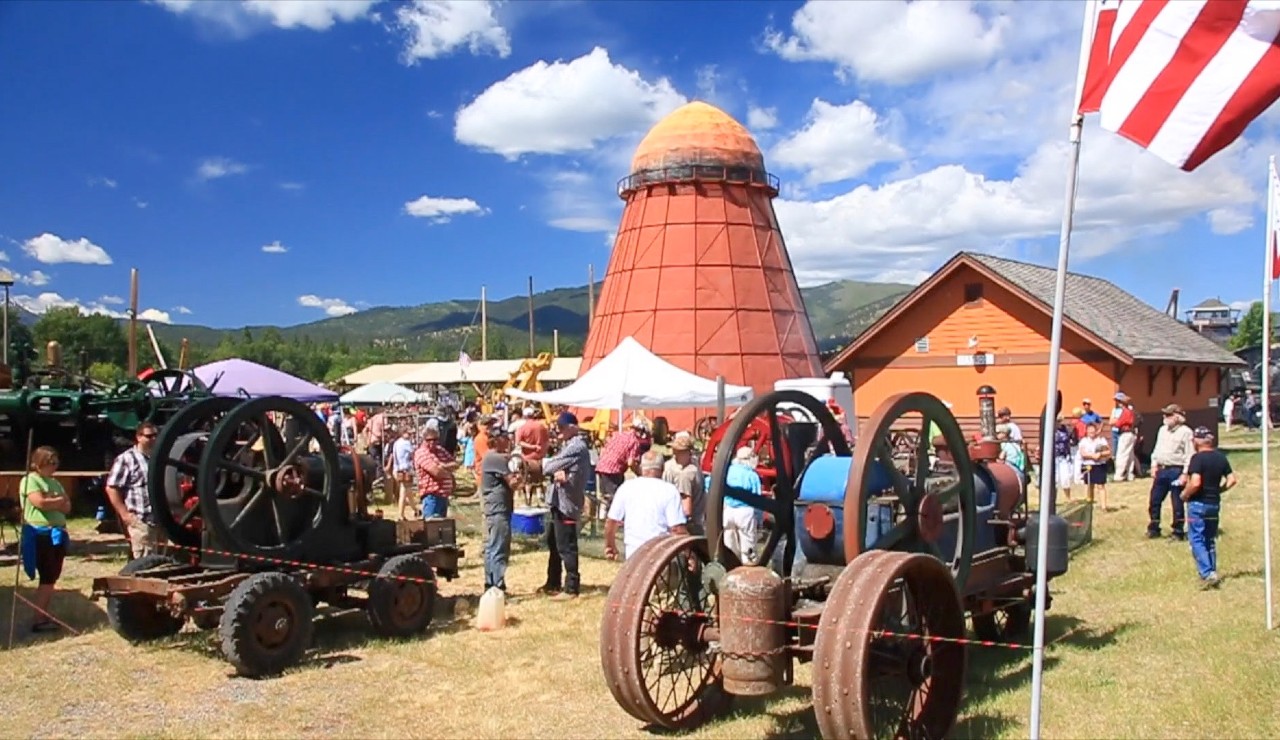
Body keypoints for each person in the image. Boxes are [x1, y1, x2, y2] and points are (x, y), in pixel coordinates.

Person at [538, 412, 591, 599]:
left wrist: (554, 469)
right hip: (557, 501)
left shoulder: (577, 446)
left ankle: (571, 587)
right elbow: (554, 468)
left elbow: (548, 466)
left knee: (566, 546)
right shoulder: (567, 445)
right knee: (554, 543)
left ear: (572, 427)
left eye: (561, 428)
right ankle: (553, 582)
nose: (558, 431)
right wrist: (556, 471)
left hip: (567, 503)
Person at [19, 446, 70, 633]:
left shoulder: (55, 483)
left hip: (58, 534)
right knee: (47, 577)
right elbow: (39, 502)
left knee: (52, 576)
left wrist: (53, 500)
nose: (55, 466)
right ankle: (39, 619)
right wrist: (56, 501)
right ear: (40, 463)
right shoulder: (30, 480)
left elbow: (67, 506)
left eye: (56, 462)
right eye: (51, 462)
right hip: (40, 534)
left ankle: (42, 614)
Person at [1180, 427, 1237, 589]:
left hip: (1197, 504)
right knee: (1209, 539)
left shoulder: (1197, 459)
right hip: (1214, 503)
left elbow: (1196, 482)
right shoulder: (1221, 458)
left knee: (1196, 538)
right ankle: (1211, 569)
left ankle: (1207, 573)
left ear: (1197, 441)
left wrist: (1185, 494)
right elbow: (1232, 480)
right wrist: (1220, 490)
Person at [605, 450, 688, 560]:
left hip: (633, 553)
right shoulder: (670, 491)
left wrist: (610, 545)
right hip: (660, 555)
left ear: (641, 468)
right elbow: (677, 529)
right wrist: (690, 554)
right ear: (662, 469)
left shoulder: (626, 487)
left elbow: (611, 521)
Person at [106, 422, 164, 559]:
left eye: (156, 436)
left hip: (161, 521)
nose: (153, 439)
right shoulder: (126, 459)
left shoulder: (160, 458)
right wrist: (125, 515)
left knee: (162, 562)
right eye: (149, 436)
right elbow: (112, 488)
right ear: (138, 437)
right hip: (140, 520)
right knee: (143, 562)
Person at [480, 424, 522, 593]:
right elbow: (512, 483)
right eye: (505, 438)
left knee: (492, 547)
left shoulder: (491, 457)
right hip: (498, 508)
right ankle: (497, 584)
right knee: (499, 547)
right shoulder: (496, 458)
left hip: (494, 507)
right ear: (497, 440)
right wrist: (520, 477)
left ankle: (490, 583)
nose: (508, 440)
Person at [1148, 404, 1195, 540]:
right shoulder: (1162, 430)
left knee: (1177, 502)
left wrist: (1185, 473)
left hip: (1176, 470)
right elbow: (1157, 449)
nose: (1165, 417)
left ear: (1177, 416)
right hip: (1162, 470)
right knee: (1154, 500)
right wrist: (1153, 465)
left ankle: (1178, 531)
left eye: (1168, 415)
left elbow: (1189, 454)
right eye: (1164, 415)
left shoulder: (1186, 432)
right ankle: (1154, 527)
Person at [723, 446, 763, 563]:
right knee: (748, 546)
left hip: (728, 510)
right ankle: (748, 569)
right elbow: (758, 499)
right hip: (745, 511)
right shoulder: (752, 475)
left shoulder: (728, 471)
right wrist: (759, 520)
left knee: (729, 544)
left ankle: (731, 566)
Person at [414, 420, 457, 519]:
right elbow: (436, 472)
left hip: (444, 496)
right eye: (429, 440)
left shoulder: (440, 450)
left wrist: (443, 466)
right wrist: (447, 471)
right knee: (431, 527)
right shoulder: (421, 453)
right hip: (431, 496)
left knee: (442, 527)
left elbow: (455, 464)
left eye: (435, 439)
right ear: (424, 440)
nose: (432, 442)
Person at [662, 436, 705, 534]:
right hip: (697, 522)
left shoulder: (684, 475)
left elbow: (686, 510)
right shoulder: (695, 465)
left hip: (686, 526)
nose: (674, 454)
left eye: (677, 451)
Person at [1078, 422, 1112, 511]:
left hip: (1099, 465)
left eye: (1093, 431)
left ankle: (1104, 507)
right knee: (1089, 485)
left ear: (1096, 431)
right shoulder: (1084, 441)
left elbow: (1108, 452)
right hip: (1087, 465)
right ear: (1087, 431)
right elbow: (1082, 453)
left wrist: (1100, 454)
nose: (1091, 432)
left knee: (1101, 486)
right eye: (1089, 431)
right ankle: (1089, 505)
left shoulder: (1101, 440)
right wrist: (1092, 456)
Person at [390, 426, 416, 520]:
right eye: (409, 433)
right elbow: (414, 452)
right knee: (404, 492)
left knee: (408, 491)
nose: (410, 435)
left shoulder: (396, 443)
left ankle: (415, 510)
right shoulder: (406, 443)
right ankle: (400, 514)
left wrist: (394, 469)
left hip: (398, 469)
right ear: (403, 433)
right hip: (406, 470)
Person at [1112, 393, 1138, 482]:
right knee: (1130, 455)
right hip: (1131, 434)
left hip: (1125, 434)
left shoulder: (1125, 412)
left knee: (1121, 454)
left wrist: (1114, 422)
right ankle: (1130, 474)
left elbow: (1118, 423)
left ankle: (1119, 475)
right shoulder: (1131, 411)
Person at [1052, 414, 1078, 502]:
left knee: (1065, 477)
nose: (1058, 422)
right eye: (1056, 421)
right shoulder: (1050, 430)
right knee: (1054, 479)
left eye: (1059, 420)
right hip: (1053, 457)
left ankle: (1068, 497)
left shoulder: (1065, 429)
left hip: (1063, 456)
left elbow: (1072, 440)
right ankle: (1052, 500)